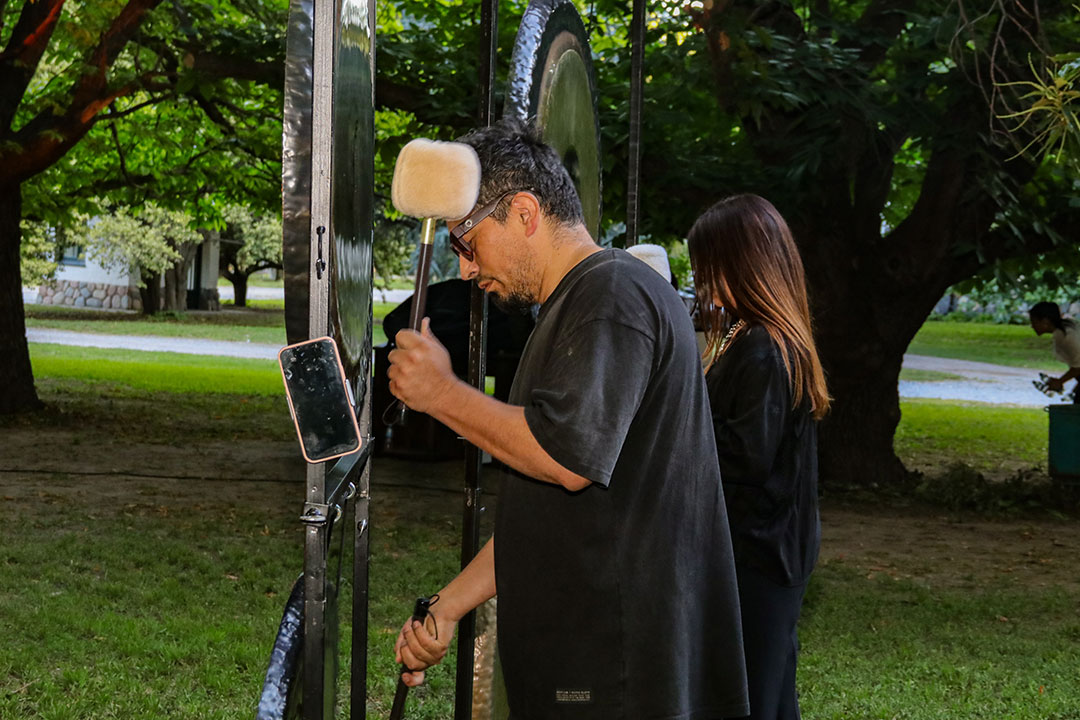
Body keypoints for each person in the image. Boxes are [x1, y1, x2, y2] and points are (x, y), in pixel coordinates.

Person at [387, 119, 749, 720]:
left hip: (615, 672)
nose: (467, 271)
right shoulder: (579, 303)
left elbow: (564, 458)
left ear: (524, 212)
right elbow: (547, 513)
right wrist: (447, 607)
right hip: (589, 661)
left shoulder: (610, 297)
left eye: (467, 243)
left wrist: (441, 394)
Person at [687, 194, 830, 720]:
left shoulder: (765, 345)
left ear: (743, 263)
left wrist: (673, 438)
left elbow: (746, 457)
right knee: (770, 694)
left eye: (709, 264)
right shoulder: (747, 334)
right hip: (762, 545)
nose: (703, 279)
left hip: (761, 552)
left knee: (752, 697)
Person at [1029, 301, 1080, 403]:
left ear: (1045, 321)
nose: (1032, 326)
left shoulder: (1068, 337)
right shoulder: (1065, 331)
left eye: (1034, 322)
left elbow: (1078, 367)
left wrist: (1060, 381)